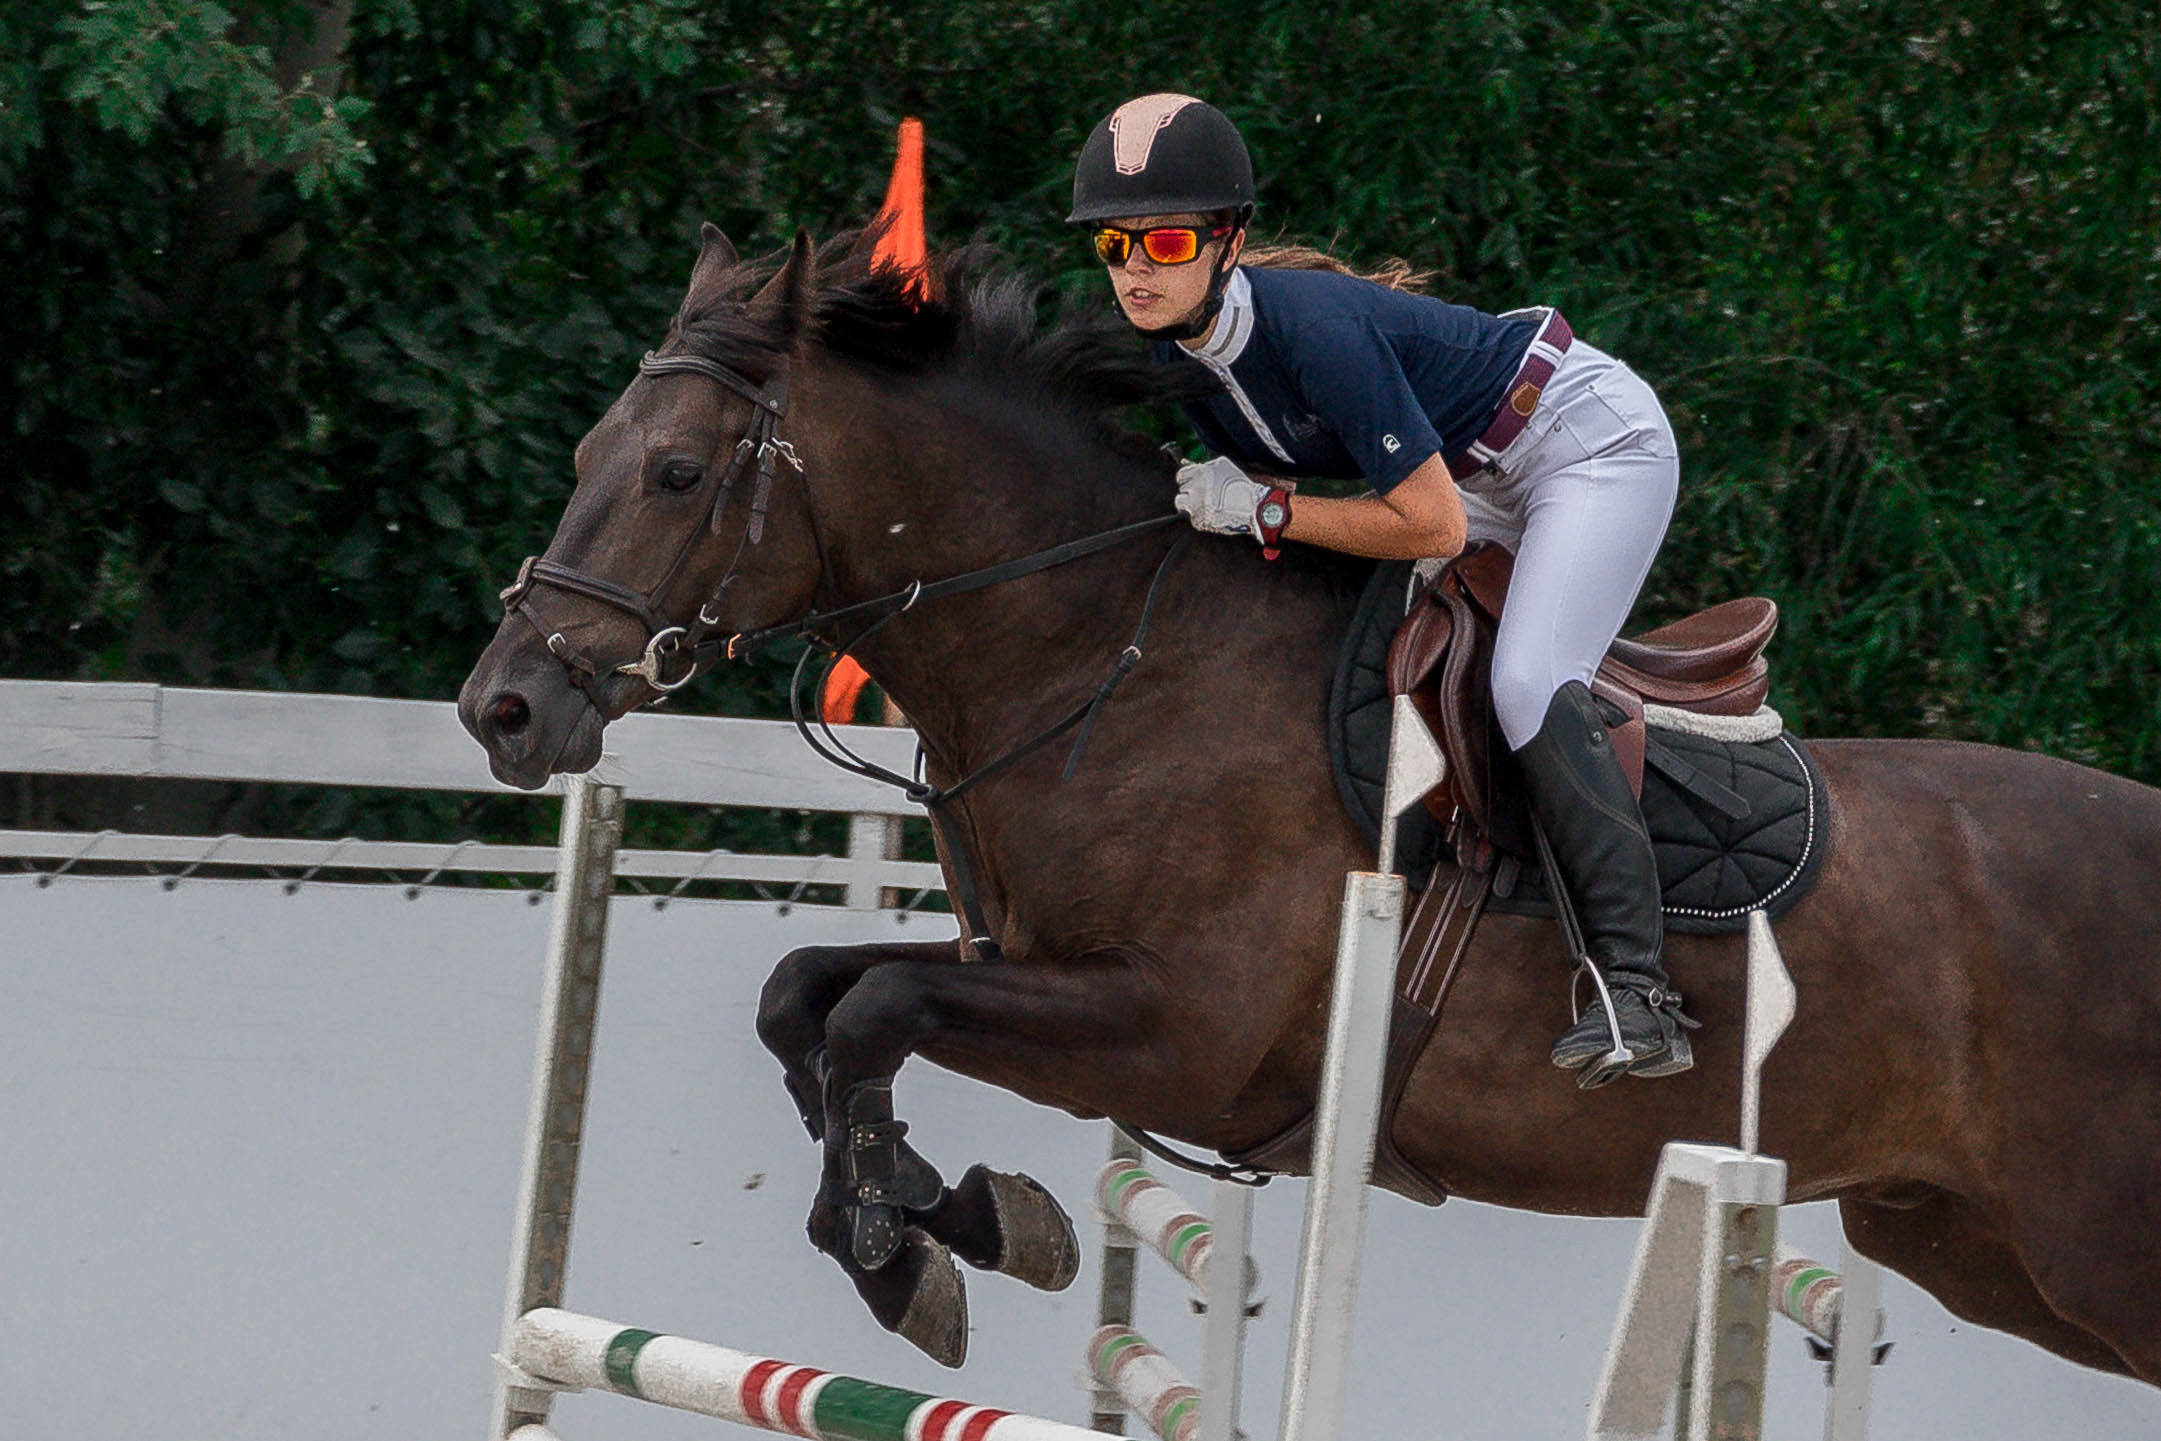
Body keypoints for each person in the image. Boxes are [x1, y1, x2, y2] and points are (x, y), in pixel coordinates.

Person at [1069, 93, 1693, 1083]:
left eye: (1167, 240)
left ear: (1226, 243)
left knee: (1527, 681)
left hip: (1584, 444)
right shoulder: (1178, 359)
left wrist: (1266, 510)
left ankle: (1636, 987)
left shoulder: (1312, 331)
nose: (1136, 270)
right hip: (1475, 477)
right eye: (1113, 244)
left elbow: (1430, 525)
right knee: (1376, 643)